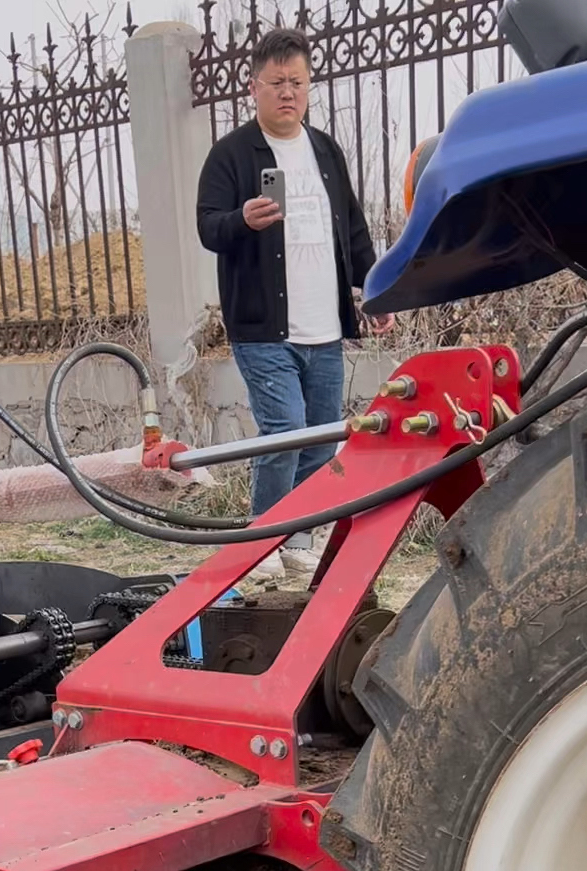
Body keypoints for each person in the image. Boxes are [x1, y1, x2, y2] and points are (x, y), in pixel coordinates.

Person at [197, 27, 379, 587]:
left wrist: (376, 289)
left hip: (325, 327)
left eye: (297, 82)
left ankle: (297, 539)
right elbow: (207, 226)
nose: (287, 93)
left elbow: (352, 228)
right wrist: (242, 220)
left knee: (321, 440)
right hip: (263, 328)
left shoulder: (325, 150)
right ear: (254, 86)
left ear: (308, 86)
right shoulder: (231, 155)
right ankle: (263, 538)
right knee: (284, 433)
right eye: (276, 82)